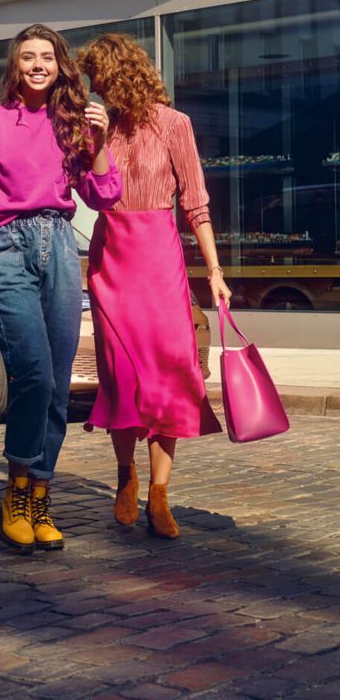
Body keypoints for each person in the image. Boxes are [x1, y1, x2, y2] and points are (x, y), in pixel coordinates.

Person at [0, 24, 123, 552]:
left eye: (47, 56)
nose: (39, 65)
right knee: (33, 372)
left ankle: (41, 493)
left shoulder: (71, 122)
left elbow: (104, 193)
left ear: (59, 63)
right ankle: (17, 489)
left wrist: (103, 141)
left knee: (57, 381)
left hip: (60, 247)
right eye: (29, 57)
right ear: (15, 65)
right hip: (6, 249)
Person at [76, 33, 232, 538]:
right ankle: (126, 477)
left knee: (167, 376)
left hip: (160, 259)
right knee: (121, 376)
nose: (93, 88)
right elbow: (95, 198)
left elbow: (197, 204)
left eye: (98, 77)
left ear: (120, 73)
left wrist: (214, 272)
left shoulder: (174, 124)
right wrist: (94, 143)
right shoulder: (97, 129)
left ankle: (160, 495)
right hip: (111, 259)